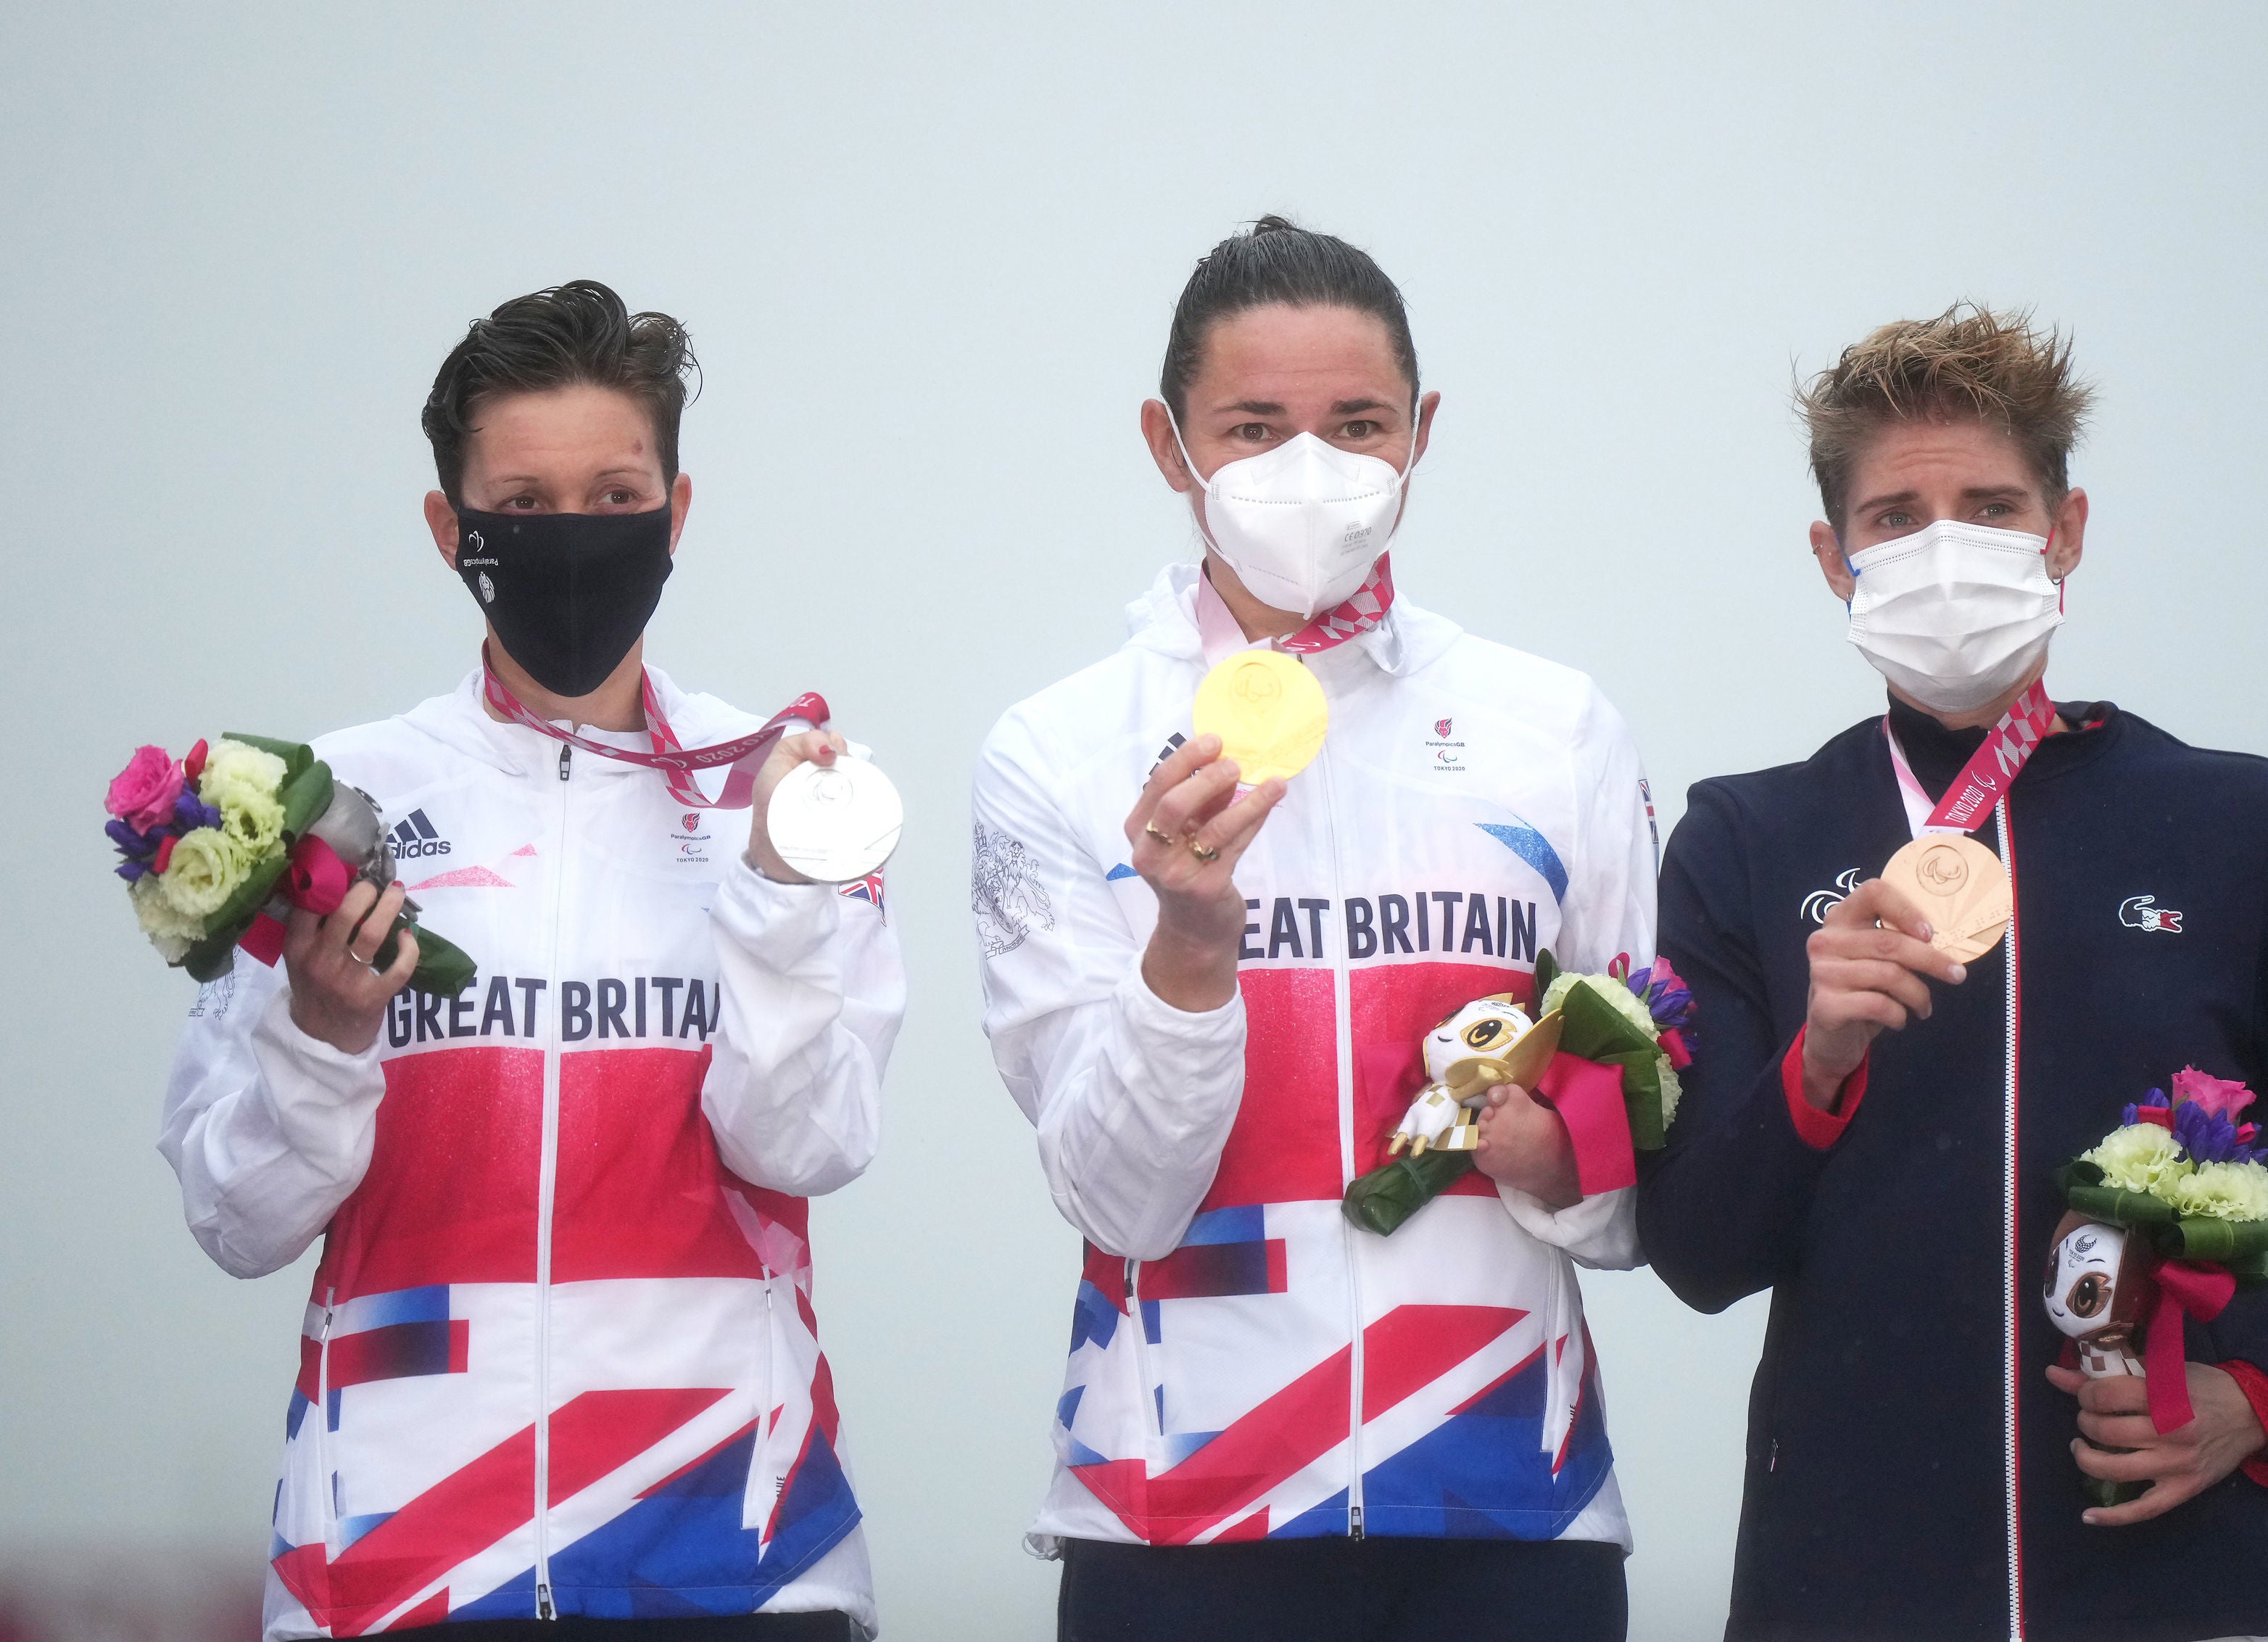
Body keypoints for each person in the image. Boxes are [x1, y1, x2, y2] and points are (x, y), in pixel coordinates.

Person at [1636, 305, 2268, 1642]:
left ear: (2067, 531)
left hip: (2187, 1587)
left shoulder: (2242, 826)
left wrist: (2264, 1402)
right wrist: (1819, 1065)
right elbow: (1692, 1253)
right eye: (1897, 518)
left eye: (1990, 508)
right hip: (1844, 1592)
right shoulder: (1746, 838)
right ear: (1831, 556)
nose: (1946, 552)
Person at [158, 281, 906, 1641]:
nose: (576, 537)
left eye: (618, 497)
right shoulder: (319, 810)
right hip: (392, 1566)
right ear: (452, 529)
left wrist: (778, 901)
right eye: (527, 501)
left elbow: (808, 1146)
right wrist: (321, 1038)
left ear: (679, 514)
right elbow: (235, 1220)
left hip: (738, 1562)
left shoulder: (783, 792)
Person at [971, 217, 1654, 1641]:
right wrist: (1188, 955)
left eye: (1356, 426)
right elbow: (1116, 1200)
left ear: (1422, 433)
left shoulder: (1554, 728)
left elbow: (1647, 1152)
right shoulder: (1055, 751)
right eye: (1253, 427)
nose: (1311, 473)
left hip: (1509, 1507)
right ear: (1170, 446)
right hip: (1174, 1514)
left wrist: (1575, 1158)